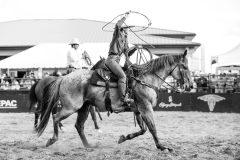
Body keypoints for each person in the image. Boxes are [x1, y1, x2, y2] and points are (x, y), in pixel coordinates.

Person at [105, 11, 134, 107]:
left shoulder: (125, 40)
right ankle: (123, 98)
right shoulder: (117, 35)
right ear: (123, 29)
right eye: (127, 29)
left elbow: (127, 53)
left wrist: (135, 49)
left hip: (116, 61)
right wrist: (125, 17)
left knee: (129, 74)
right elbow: (117, 25)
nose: (129, 30)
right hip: (111, 60)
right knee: (123, 76)